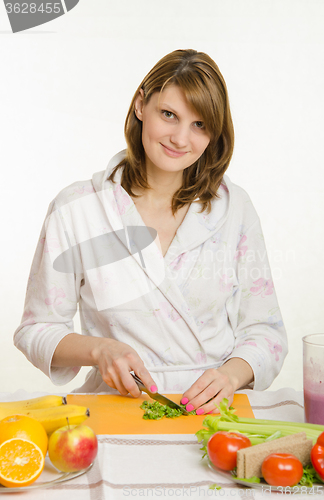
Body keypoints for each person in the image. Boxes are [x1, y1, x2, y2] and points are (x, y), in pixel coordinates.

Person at [14, 49, 288, 414]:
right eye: (169, 115)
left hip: (213, 413)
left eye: (200, 125)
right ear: (142, 104)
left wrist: (231, 376)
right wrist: (100, 350)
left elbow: (266, 331)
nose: (180, 138)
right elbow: (36, 328)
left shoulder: (234, 208)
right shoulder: (77, 209)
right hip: (115, 410)